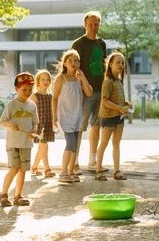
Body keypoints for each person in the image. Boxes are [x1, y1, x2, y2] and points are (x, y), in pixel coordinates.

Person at [71, 11, 107, 174]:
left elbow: (104, 66)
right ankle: (74, 162)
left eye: (96, 23)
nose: (94, 26)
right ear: (85, 25)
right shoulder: (79, 44)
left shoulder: (102, 43)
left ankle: (93, 160)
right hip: (85, 92)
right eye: (91, 23)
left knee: (96, 126)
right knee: (80, 127)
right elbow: (72, 66)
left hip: (101, 90)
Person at [0, 72, 39, 207]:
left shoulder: (32, 105)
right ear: (16, 89)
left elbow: (35, 122)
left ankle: (18, 196)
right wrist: (11, 125)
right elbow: (2, 121)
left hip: (26, 143)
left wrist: (33, 132)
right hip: (13, 143)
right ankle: (3, 194)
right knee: (14, 168)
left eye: (30, 89)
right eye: (24, 89)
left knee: (23, 170)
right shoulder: (11, 105)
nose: (27, 92)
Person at [52, 49, 93, 183]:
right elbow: (54, 98)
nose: (73, 63)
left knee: (74, 145)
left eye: (76, 60)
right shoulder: (61, 78)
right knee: (70, 143)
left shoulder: (79, 77)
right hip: (65, 116)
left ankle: (71, 172)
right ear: (64, 63)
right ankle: (63, 173)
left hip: (77, 115)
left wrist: (83, 78)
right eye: (70, 60)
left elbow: (89, 93)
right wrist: (54, 117)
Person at [95, 51, 134, 181]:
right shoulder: (108, 82)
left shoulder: (119, 81)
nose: (121, 64)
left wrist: (127, 104)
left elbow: (118, 100)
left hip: (119, 117)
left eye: (122, 62)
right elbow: (104, 100)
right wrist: (120, 108)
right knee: (104, 143)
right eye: (118, 62)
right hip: (108, 117)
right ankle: (98, 170)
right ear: (110, 64)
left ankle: (117, 171)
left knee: (116, 144)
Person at [31, 70, 56, 178]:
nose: (46, 81)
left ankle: (34, 167)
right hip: (39, 125)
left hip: (48, 123)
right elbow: (29, 111)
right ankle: (47, 169)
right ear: (38, 82)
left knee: (43, 147)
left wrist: (54, 121)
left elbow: (52, 111)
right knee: (44, 146)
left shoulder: (50, 96)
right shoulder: (34, 96)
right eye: (43, 79)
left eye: (48, 79)